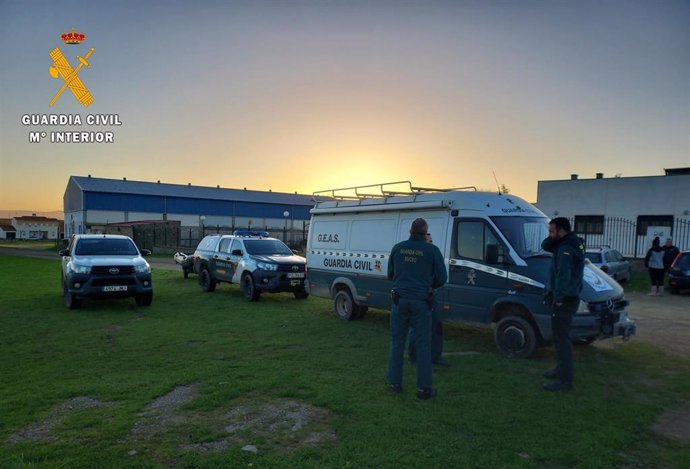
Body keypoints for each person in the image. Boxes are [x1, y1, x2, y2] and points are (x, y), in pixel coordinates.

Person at [387, 218, 447, 400]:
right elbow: (442, 278)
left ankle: (395, 383)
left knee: (397, 342)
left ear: (410, 231)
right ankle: (423, 389)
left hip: (400, 301)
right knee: (423, 345)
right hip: (422, 302)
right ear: (425, 233)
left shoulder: (398, 248)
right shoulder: (432, 251)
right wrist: (428, 285)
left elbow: (390, 274)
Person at [541, 217, 584, 392]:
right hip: (568, 298)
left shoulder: (566, 247)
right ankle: (560, 369)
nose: (549, 234)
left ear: (561, 230)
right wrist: (553, 236)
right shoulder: (567, 242)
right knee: (560, 338)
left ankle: (565, 381)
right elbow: (545, 246)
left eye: (552, 231)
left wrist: (557, 298)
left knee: (562, 340)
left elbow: (563, 276)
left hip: (564, 300)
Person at [408, 232, 448, 367]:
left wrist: (432, 287)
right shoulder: (417, 257)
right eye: (429, 241)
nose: (431, 243)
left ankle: (436, 356)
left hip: (430, 295)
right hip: (418, 297)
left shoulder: (432, 255)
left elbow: (441, 276)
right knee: (416, 327)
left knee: (436, 325)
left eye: (432, 241)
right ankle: (413, 357)